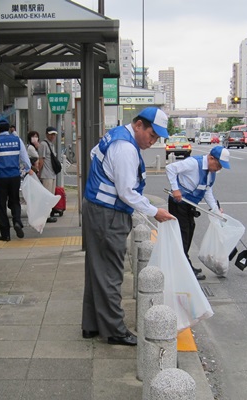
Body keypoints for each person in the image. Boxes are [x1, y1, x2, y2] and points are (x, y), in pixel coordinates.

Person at [81, 107, 175, 346]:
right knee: (111, 273)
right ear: (138, 125)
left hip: (97, 207)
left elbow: (95, 155)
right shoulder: (125, 148)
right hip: (108, 214)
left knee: (97, 270)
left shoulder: (116, 135)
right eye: (151, 135)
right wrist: (155, 211)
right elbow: (126, 192)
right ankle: (114, 330)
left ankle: (91, 325)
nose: (152, 141)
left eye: (156, 138)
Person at [165, 145, 230, 280]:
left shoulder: (211, 173)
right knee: (183, 234)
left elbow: (207, 191)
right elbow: (170, 168)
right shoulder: (193, 163)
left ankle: (184, 264)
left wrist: (215, 210)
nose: (219, 168)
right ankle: (183, 268)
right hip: (179, 203)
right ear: (211, 158)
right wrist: (175, 189)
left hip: (190, 205)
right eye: (219, 164)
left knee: (189, 231)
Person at [0, 117, 33, 241]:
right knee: (15, 201)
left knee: (1, 205)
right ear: (8, 128)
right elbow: (24, 157)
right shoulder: (17, 140)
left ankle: (5, 234)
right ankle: (17, 221)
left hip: (1, 177)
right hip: (14, 176)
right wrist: (29, 169)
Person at [37, 126, 59, 223]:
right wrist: (38, 172)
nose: (53, 136)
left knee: (50, 196)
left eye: (54, 134)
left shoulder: (51, 145)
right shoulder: (43, 144)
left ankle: (49, 214)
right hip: (46, 174)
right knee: (46, 196)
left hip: (52, 174)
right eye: (51, 134)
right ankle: (45, 216)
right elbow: (41, 160)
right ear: (46, 134)